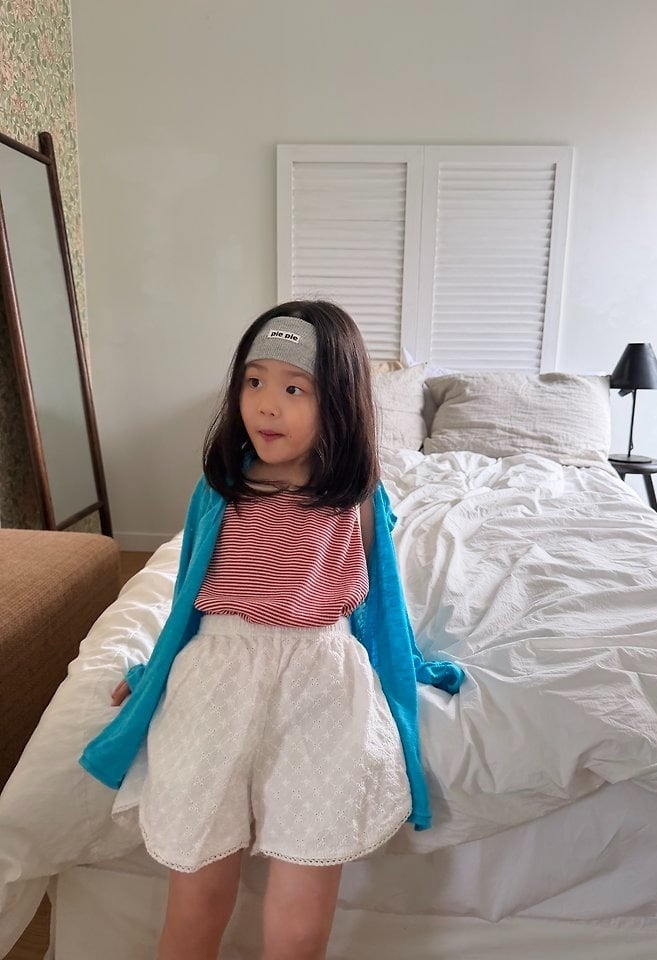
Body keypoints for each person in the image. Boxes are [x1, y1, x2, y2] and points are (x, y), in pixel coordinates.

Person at [80, 300, 463, 960]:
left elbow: (382, 606)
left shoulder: (357, 497)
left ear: (338, 402)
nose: (266, 404)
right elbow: (185, 602)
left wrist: (411, 669)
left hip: (322, 688)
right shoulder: (220, 490)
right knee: (195, 904)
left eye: (294, 390)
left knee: (299, 926)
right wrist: (152, 674)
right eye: (254, 382)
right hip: (215, 684)